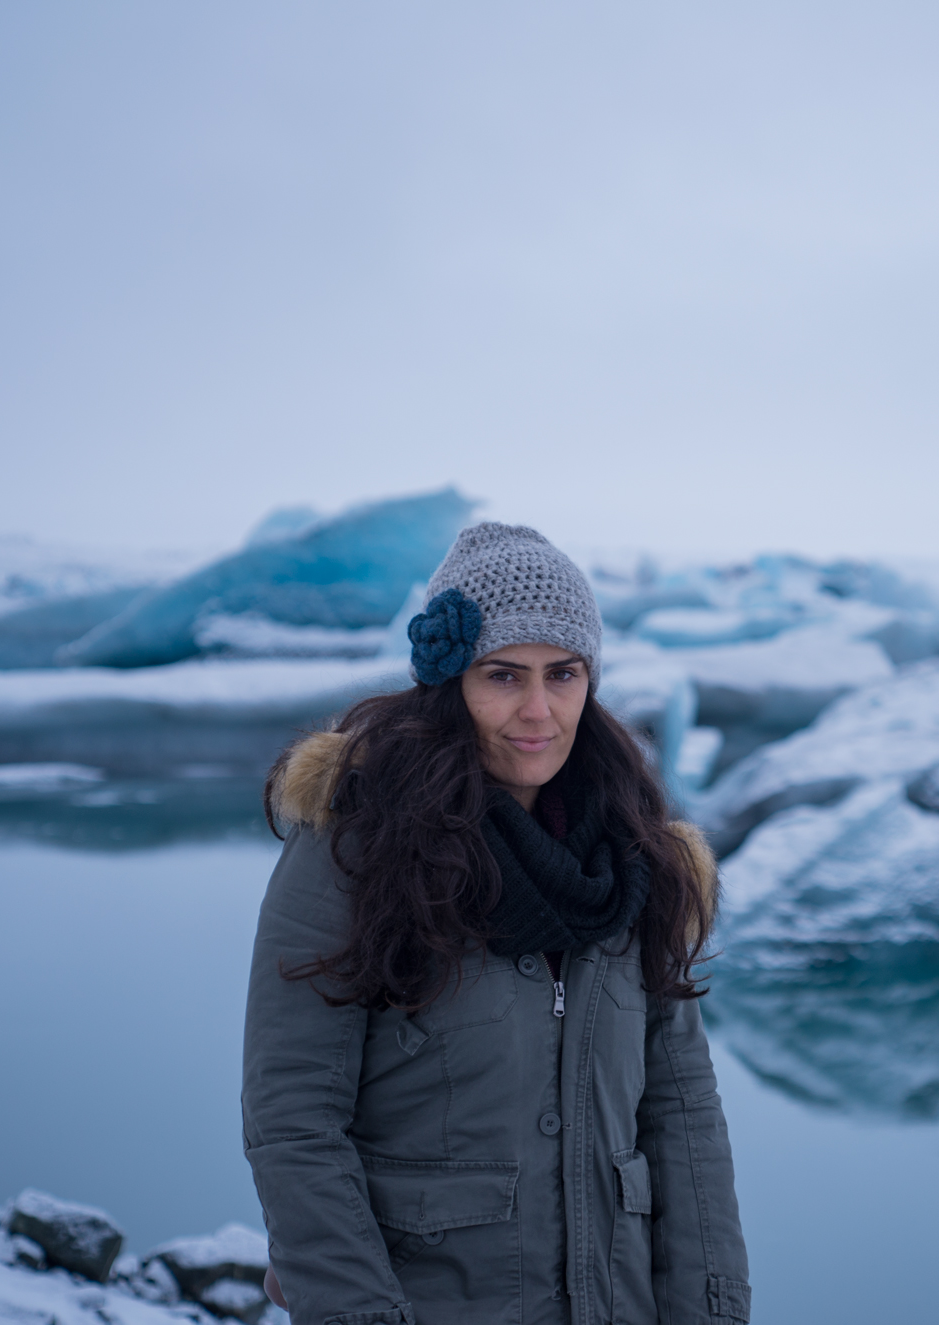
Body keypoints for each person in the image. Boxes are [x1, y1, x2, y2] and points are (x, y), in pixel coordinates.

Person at [242, 522, 750, 1325]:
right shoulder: (356, 845)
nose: (538, 711)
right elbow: (295, 1117)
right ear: (450, 683)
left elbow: (683, 1114)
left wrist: (713, 1311)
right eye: (503, 675)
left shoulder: (636, 859)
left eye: (564, 673)